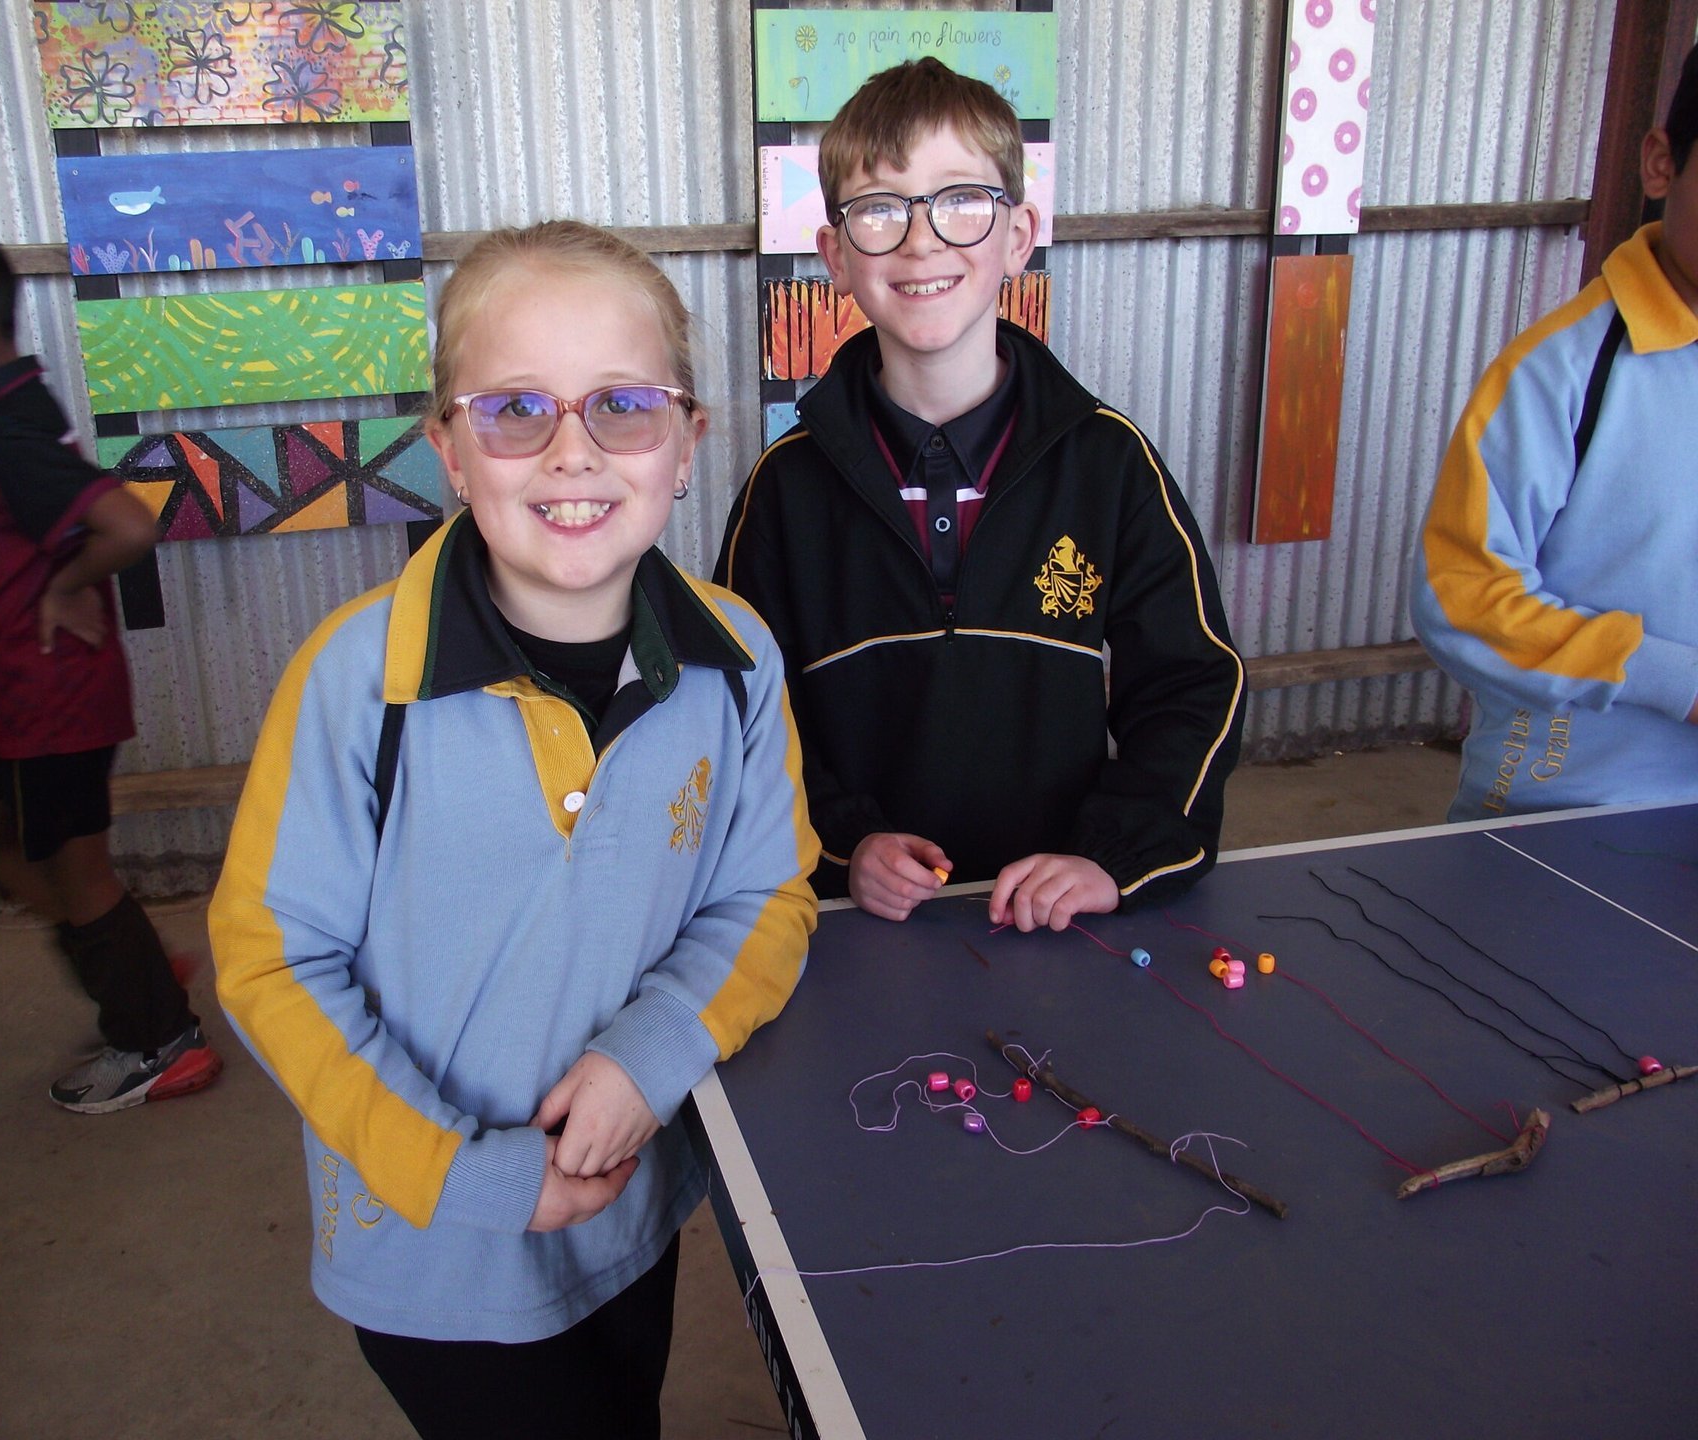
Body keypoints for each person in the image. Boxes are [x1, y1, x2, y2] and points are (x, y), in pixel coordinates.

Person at [208, 220, 818, 1439]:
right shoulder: (353, 683)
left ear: (689, 444)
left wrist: (648, 1056)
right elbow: (271, 960)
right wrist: (464, 1169)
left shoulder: (738, 659)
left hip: (633, 1204)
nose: (572, 452)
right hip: (435, 1251)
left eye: (624, 406)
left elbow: (768, 898)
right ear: (449, 448)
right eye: (516, 411)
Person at [717, 58, 1245, 932]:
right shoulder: (785, 490)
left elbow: (1192, 687)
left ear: (1019, 234)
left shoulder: (1110, 465)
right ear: (835, 256)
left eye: (961, 201)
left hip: (1063, 925)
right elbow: (743, 713)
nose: (921, 242)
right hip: (860, 929)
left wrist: (1112, 856)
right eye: (879, 209)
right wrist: (844, 844)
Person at [0, 212, 220, 1113]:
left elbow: (126, 525)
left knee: (77, 872)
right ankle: (126, 962)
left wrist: (66, 585)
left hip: (52, 698)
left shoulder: (10, 427)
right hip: (12, 697)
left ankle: (160, 1040)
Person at [1411, 48, 1698, 822]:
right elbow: (1459, 597)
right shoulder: (1560, 372)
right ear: (1662, 164)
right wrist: (1675, 681)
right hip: (1566, 815)